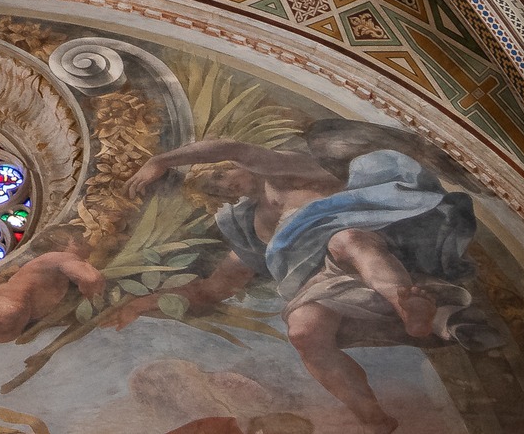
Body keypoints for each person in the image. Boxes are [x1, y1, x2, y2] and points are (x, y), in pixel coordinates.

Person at [117, 138, 498, 434]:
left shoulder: (285, 173)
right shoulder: (252, 230)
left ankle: (409, 310)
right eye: (214, 191)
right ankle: (373, 418)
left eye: (218, 176)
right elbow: (212, 289)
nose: (225, 188)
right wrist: (134, 303)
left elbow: (234, 147)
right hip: (324, 280)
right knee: (303, 329)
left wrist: (161, 160)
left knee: (347, 239)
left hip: (374, 238)